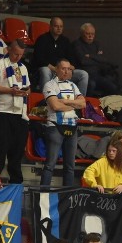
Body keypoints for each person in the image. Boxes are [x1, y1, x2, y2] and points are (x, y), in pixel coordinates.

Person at [0, 39, 30, 184]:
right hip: (3, 113)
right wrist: (10, 91)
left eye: (21, 55)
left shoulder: (23, 67)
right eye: (16, 54)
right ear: (9, 50)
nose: (18, 57)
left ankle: (16, 185)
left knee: (17, 153)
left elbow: (28, 87)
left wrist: (26, 92)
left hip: (20, 114)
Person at [40, 59, 86, 187]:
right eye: (63, 68)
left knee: (70, 166)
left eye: (69, 69)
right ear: (57, 69)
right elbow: (55, 106)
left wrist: (64, 102)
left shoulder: (73, 86)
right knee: (50, 164)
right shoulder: (49, 85)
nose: (67, 71)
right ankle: (43, 194)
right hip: (55, 126)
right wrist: (73, 105)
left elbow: (83, 103)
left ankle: (67, 196)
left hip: (72, 126)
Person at [30, 17, 88, 95]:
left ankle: (80, 101)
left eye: (61, 26)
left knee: (83, 74)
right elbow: (39, 59)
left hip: (63, 70)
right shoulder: (42, 39)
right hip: (49, 69)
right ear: (50, 27)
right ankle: (46, 99)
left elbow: (72, 59)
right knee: (45, 71)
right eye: (56, 26)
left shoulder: (65, 41)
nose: (59, 28)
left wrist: (70, 68)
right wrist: (55, 69)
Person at [69, 23, 119, 97]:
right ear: (82, 34)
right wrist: (96, 58)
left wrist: (90, 56)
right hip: (85, 75)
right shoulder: (77, 44)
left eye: (92, 34)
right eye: (88, 34)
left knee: (113, 86)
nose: (90, 36)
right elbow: (83, 61)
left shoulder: (97, 44)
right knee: (92, 84)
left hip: (98, 74)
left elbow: (103, 59)